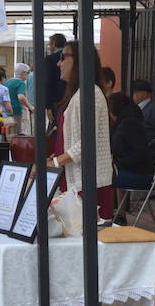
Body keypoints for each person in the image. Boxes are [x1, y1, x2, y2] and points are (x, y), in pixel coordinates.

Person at [48, 41, 113, 220]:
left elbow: (86, 143)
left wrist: (54, 163)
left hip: (88, 184)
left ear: (79, 61)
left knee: (85, 240)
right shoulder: (79, 93)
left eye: (63, 57)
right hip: (75, 180)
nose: (59, 63)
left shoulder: (90, 94)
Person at [108, 91, 155, 225]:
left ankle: (108, 213)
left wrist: (120, 164)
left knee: (105, 177)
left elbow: (140, 153)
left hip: (140, 174)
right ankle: (120, 214)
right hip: (130, 169)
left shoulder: (129, 124)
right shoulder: (123, 122)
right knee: (108, 174)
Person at [42, 32, 66, 128]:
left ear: (54, 43)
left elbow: (48, 82)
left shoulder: (50, 59)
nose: (49, 47)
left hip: (56, 100)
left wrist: (48, 106)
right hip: (69, 97)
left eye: (49, 44)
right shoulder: (74, 57)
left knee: (56, 129)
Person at [5, 61, 33, 136]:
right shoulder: (21, 83)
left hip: (6, 111)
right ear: (23, 72)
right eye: (27, 73)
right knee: (16, 134)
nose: (27, 75)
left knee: (8, 134)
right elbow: (21, 97)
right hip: (16, 110)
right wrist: (29, 106)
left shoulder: (8, 82)